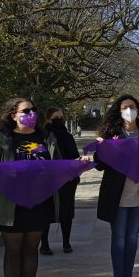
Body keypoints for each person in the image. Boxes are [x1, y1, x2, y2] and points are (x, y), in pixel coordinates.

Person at [0, 98, 61, 277]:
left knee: (31, 249)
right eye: (26, 110)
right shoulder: (1, 138)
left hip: (38, 201)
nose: (31, 113)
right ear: (13, 115)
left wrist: (77, 164)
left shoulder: (45, 136)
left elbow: (58, 165)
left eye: (34, 109)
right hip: (10, 203)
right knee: (14, 250)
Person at [95, 94, 139, 277]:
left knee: (132, 238)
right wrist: (107, 148)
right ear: (118, 111)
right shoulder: (111, 131)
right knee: (119, 238)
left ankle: (129, 276)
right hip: (117, 194)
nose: (129, 110)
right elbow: (99, 164)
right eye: (125, 107)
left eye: (132, 106)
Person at [39, 107, 80, 255]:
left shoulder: (67, 136)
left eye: (61, 117)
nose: (59, 120)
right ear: (48, 119)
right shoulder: (42, 135)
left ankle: (66, 242)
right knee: (45, 212)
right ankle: (44, 244)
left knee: (66, 211)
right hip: (47, 180)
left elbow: (73, 155)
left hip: (67, 179)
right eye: (56, 117)